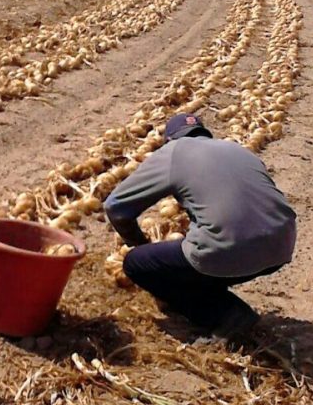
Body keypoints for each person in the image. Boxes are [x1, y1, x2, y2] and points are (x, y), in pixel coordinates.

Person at [104, 113, 296, 340]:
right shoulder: (238, 150)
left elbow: (115, 207)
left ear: (169, 140)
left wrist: (139, 245)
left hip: (230, 247)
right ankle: (206, 290)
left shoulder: (175, 151)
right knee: (196, 260)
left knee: (137, 264)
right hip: (281, 245)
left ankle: (226, 314)